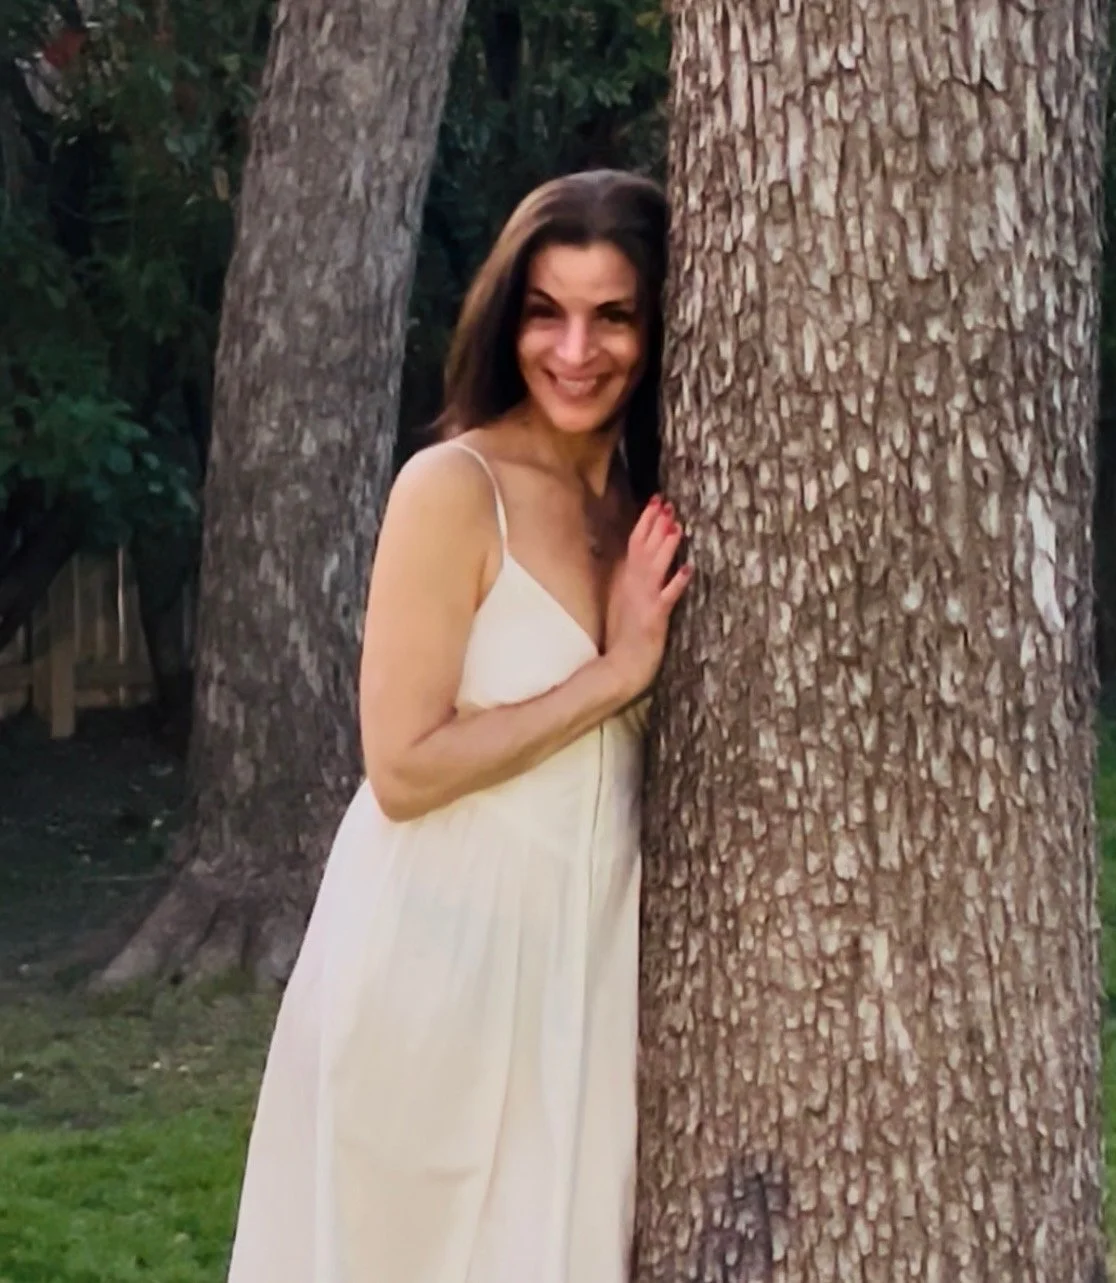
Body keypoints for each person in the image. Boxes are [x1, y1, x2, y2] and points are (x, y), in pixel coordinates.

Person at [225, 169, 691, 1283]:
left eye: (613, 315)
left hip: (578, 971)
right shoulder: (453, 484)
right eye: (546, 311)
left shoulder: (644, 502)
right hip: (433, 961)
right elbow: (402, 766)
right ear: (505, 320)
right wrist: (618, 671)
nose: (575, 350)